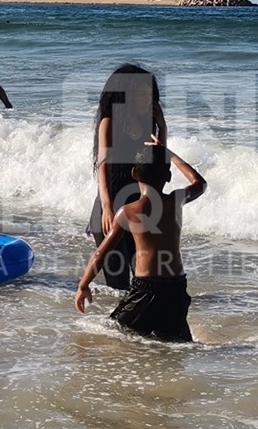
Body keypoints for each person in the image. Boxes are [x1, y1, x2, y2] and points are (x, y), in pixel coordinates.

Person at [76, 146, 207, 342]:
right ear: (168, 176)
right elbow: (200, 183)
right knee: (176, 344)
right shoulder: (176, 200)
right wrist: (169, 153)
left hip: (146, 290)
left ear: (134, 173)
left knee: (111, 333)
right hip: (177, 287)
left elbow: (101, 254)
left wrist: (83, 285)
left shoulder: (128, 212)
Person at [86, 64, 167, 290]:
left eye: (150, 94)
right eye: (142, 94)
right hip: (110, 208)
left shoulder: (146, 123)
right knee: (118, 286)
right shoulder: (109, 123)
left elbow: (158, 169)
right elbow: (102, 167)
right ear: (128, 96)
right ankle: (108, 326)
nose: (147, 99)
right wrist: (107, 207)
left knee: (143, 280)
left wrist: (163, 129)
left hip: (137, 210)